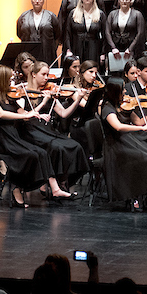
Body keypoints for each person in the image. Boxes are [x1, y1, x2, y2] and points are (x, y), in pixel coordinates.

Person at [0, 66, 57, 208]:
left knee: (41, 152)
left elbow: (25, 114)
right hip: (1, 138)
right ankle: (16, 188)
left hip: (13, 136)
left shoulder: (10, 98)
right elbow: (1, 114)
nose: (13, 82)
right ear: (2, 80)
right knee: (28, 155)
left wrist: (38, 112)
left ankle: (28, 186)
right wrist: (24, 116)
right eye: (10, 79)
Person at [100, 77, 147, 211]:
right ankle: (138, 196)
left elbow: (140, 121)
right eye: (122, 89)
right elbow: (118, 127)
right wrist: (141, 128)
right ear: (115, 91)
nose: (125, 92)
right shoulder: (107, 107)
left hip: (129, 141)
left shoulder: (123, 105)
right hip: (116, 146)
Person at [18, 61, 88, 197]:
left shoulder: (49, 92)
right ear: (33, 74)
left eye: (48, 75)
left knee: (74, 146)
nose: (46, 78)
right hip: (30, 131)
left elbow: (64, 113)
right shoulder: (23, 92)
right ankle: (53, 184)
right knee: (56, 147)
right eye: (43, 74)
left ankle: (64, 182)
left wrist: (78, 99)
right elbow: (23, 117)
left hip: (47, 131)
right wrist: (42, 104)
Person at [64, 0, 105, 68]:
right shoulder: (73, 13)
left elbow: (105, 35)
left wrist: (103, 53)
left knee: (91, 69)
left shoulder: (100, 14)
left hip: (94, 48)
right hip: (77, 47)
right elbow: (67, 33)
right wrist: (68, 50)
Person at [105, 0, 145, 70]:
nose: (124, 1)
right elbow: (107, 32)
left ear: (131, 0)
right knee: (115, 71)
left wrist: (130, 49)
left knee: (131, 70)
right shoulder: (112, 14)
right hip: (116, 48)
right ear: (119, 0)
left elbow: (140, 33)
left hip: (131, 48)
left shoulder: (137, 14)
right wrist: (113, 48)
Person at [16, 0, 61, 64]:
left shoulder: (51, 16)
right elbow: (19, 33)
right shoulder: (24, 16)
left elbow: (57, 34)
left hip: (47, 53)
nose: (37, 1)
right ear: (31, 1)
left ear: (43, 1)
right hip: (28, 53)